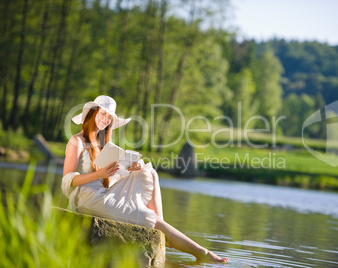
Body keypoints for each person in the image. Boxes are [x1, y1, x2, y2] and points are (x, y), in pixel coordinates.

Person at [61, 95, 228, 263]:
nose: (106, 120)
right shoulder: (77, 141)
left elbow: (109, 177)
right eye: (103, 114)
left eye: (109, 117)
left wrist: (131, 168)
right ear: (93, 113)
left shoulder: (102, 144)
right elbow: (67, 180)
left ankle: (162, 229)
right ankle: (200, 252)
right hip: (85, 198)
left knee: (149, 171)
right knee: (151, 219)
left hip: (102, 192)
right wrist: (99, 174)